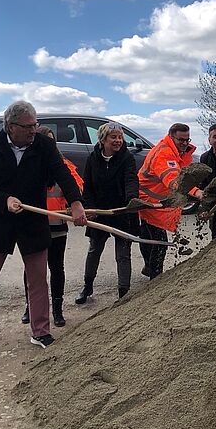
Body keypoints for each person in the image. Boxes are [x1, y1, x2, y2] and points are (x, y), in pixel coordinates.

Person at [0, 101, 86, 357]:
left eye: (35, 124)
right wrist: (3, 199)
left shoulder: (44, 145)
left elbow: (62, 174)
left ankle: (40, 331)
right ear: (10, 126)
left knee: (38, 278)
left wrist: (76, 203)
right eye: (28, 126)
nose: (33, 130)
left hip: (33, 220)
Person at [20, 126, 84, 327]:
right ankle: (30, 307)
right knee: (32, 269)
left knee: (56, 268)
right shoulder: (27, 165)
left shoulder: (64, 165)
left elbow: (77, 187)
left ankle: (57, 309)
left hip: (56, 224)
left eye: (51, 141)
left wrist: (72, 203)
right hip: (33, 225)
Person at [74, 122, 139, 304]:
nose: (118, 140)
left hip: (122, 210)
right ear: (103, 140)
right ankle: (87, 287)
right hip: (100, 210)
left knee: (123, 253)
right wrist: (90, 207)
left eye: (120, 137)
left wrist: (131, 201)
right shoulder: (93, 159)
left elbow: (131, 180)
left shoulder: (127, 158)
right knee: (94, 249)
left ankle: (123, 292)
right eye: (114, 137)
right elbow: (88, 187)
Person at [138, 123, 203, 279]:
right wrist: (196, 192)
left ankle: (149, 266)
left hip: (155, 197)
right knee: (160, 242)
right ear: (171, 136)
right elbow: (174, 180)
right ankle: (155, 277)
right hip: (149, 199)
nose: (185, 143)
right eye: (181, 140)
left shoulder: (180, 152)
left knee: (148, 236)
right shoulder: (163, 154)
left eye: (187, 139)